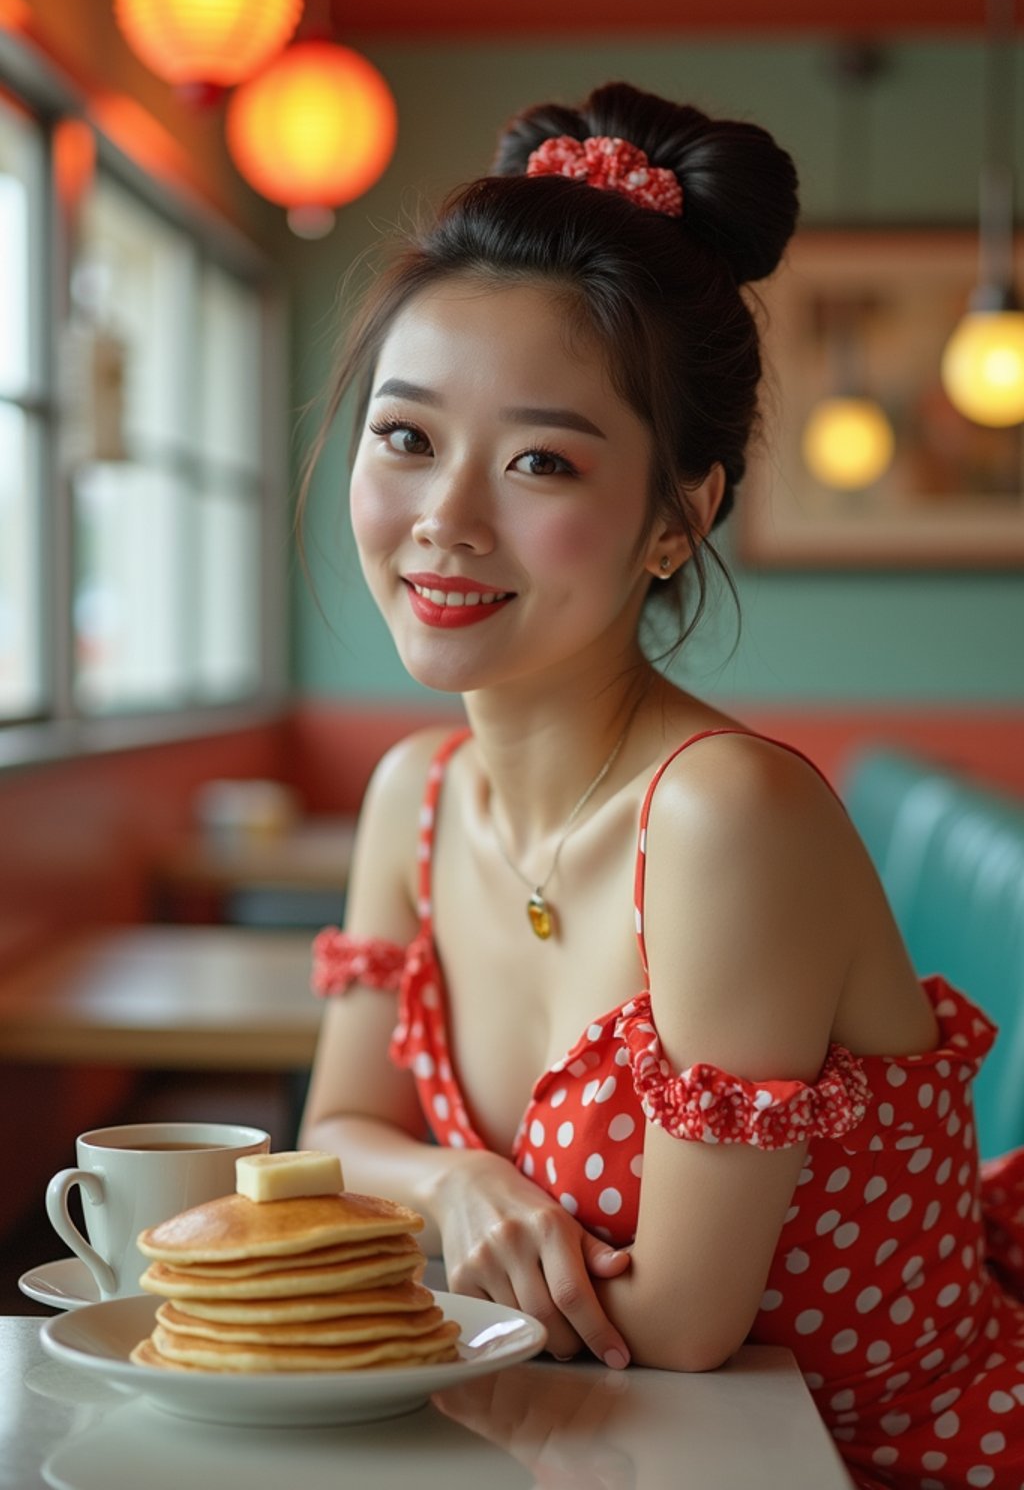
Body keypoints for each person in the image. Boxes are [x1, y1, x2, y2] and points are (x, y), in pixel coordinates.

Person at [298, 81, 1024, 1490]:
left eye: (541, 460)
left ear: (676, 521)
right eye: (406, 436)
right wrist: (459, 1179)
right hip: (585, 1443)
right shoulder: (416, 795)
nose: (445, 517)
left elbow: (678, 1330)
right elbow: (336, 1132)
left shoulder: (723, 816)